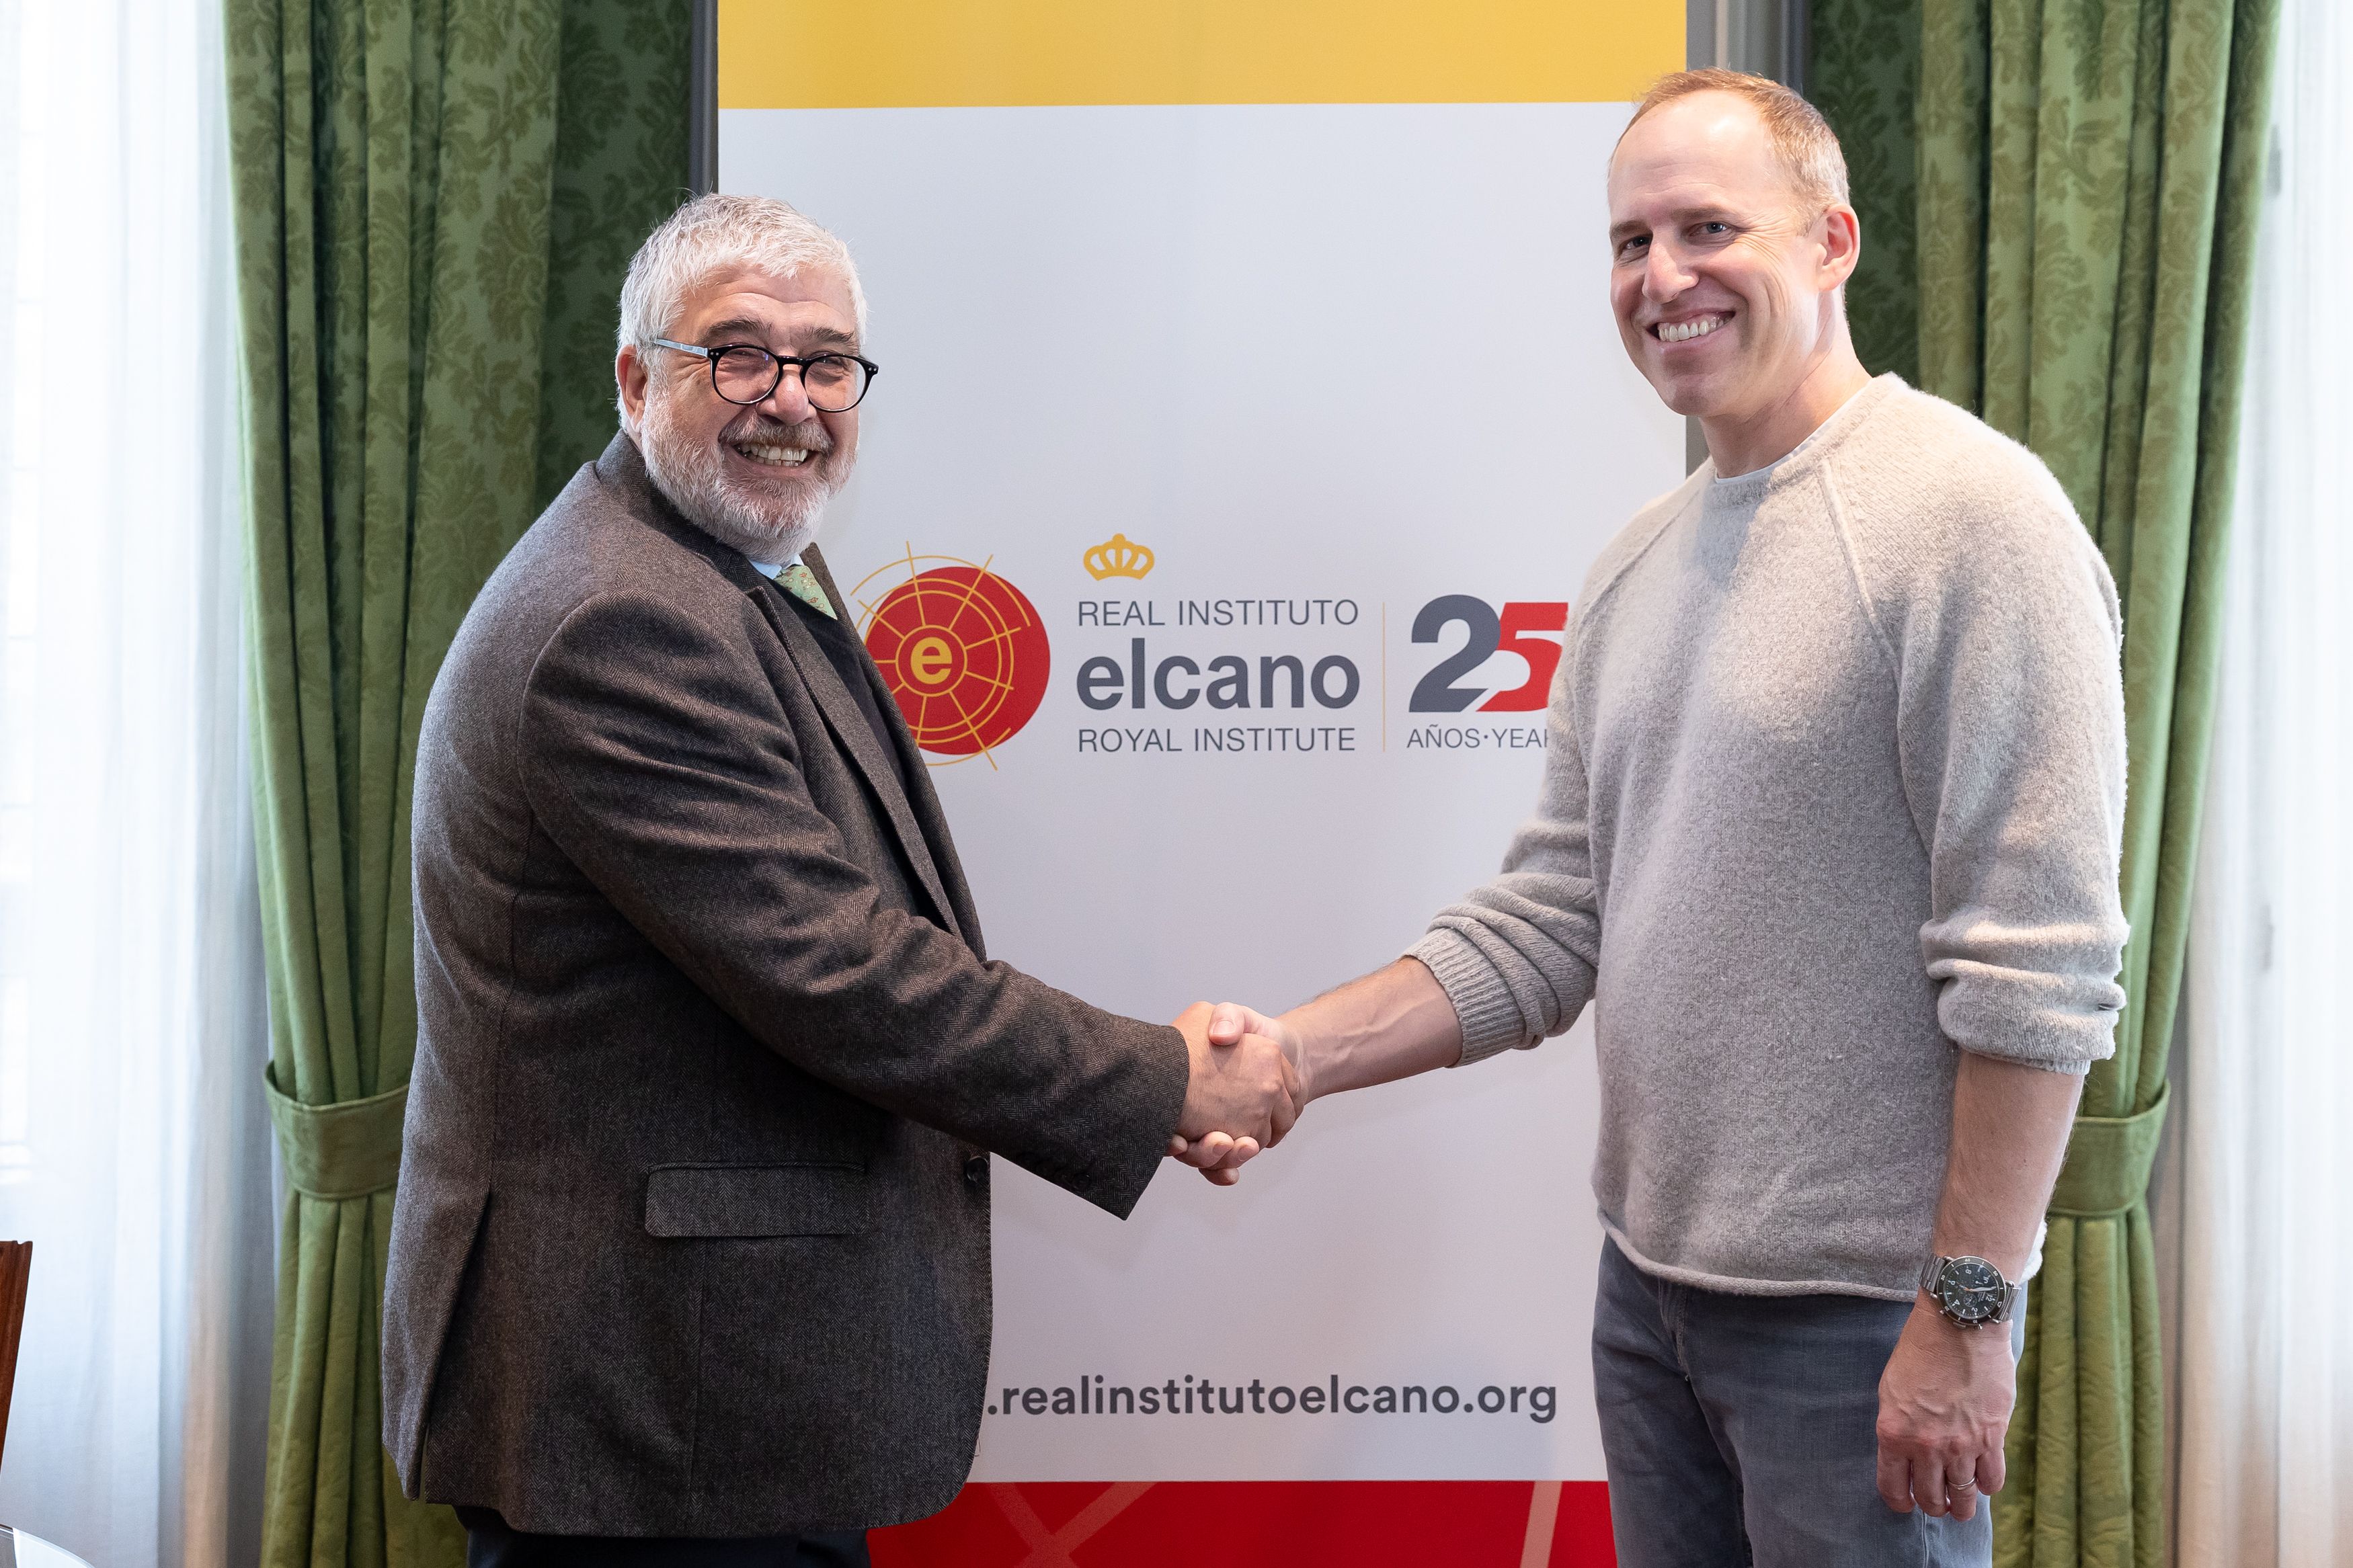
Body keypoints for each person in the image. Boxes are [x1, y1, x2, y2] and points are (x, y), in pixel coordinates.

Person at [1190, 70, 2128, 1568]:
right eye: (1630, 242)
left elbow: (2041, 970)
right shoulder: (1638, 564)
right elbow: (1551, 923)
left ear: (1831, 242)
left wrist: (1967, 1313)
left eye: (1708, 227)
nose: (1661, 277)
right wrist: (1292, 1055)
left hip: (1862, 1328)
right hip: (1650, 1307)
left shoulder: (1972, 519)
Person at [381, 194, 1295, 1567]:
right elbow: (840, 972)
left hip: (713, 1390)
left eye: (826, 363)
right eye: (737, 354)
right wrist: (1159, 1080)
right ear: (637, 380)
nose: (789, 400)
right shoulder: (621, 618)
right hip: (652, 1403)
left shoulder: (732, 560)